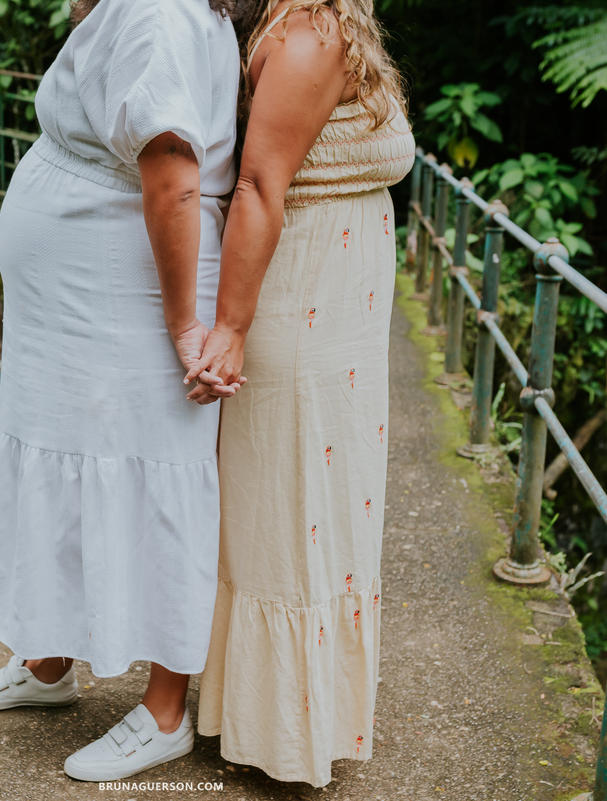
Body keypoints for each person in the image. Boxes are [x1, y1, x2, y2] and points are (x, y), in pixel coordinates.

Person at [0, 0, 244, 783]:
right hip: (79, 301)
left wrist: (186, 326)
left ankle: (164, 710)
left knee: (154, 476)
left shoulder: (161, 14)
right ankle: (49, 662)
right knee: (69, 465)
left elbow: (175, 181)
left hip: (133, 294)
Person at [188, 0, 415, 786]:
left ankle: (267, 713)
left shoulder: (329, 22)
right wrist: (231, 328)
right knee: (294, 514)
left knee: (311, 511)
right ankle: (281, 734)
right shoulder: (308, 37)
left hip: (339, 317)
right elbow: (256, 186)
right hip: (303, 310)